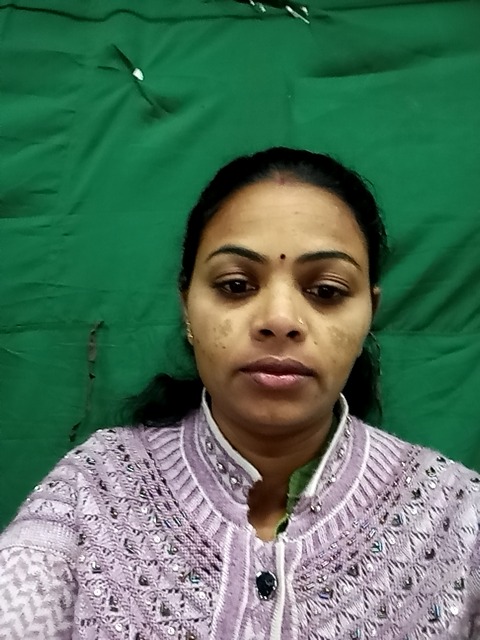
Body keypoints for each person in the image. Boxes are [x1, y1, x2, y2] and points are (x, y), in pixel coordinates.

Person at [0, 147, 479, 639]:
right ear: (187, 305)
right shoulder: (91, 494)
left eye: (326, 291)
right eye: (235, 285)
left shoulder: (458, 516)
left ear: (369, 315)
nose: (280, 320)